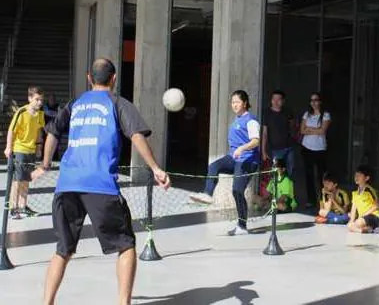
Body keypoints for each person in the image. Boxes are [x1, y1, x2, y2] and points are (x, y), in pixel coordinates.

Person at [31, 58, 171, 305]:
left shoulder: (75, 103)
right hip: (100, 186)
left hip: (67, 185)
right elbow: (136, 135)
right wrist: (156, 168)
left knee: (62, 250)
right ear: (114, 78)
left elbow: (52, 132)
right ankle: (123, 302)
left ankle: (47, 303)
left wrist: (44, 165)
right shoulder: (117, 103)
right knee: (126, 245)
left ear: (89, 78)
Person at [189, 90, 260, 236]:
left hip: (248, 159)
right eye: (232, 102)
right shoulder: (236, 119)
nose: (234, 105)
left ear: (245, 103)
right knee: (214, 166)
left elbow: (256, 141)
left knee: (237, 191)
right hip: (234, 158)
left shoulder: (251, 120)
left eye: (237, 102)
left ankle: (242, 226)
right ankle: (208, 194)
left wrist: (242, 148)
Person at [4, 86, 45, 219]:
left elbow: (39, 131)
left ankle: (23, 206)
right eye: (37, 99)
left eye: (41, 100)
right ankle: (13, 208)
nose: (39, 102)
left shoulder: (40, 114)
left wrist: (39, 147)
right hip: (19, 150)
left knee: (26, 180)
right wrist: (8, 147)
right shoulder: (21, 112)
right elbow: (11, 130)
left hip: (31, 151)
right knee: (17, 180)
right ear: (29, 98)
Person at [301, 92, 331, 208]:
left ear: (320, 101)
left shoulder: (326, 115)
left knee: (321, 175)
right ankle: (311, 199)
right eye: (311, 100)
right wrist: (316, 129)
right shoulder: (306, 114)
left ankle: (323, 198)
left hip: (320, 149)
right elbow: (302, 130)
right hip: (306, 147)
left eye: (316, 100)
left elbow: (323, 131)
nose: (313, 102)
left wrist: (310, 129)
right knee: (308, 174)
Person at [262, 90, 295, 179]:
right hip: (275, 149)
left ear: (283, 101)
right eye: (274, 99)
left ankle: (287, 192)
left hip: (289, 148)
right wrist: (263, 151)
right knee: (277, 174)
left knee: (290, 172)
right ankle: (277, 192)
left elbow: (292, 127)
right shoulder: (267, 113)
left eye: (278, 99)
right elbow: (264, 133)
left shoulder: (288, 112)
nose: (276, 102)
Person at [347, 165, 379, 234]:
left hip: (374, 216)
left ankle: (365, 230)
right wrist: (351, 221)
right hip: (364, 218)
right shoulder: (355, 192)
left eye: (359, 176)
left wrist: (363, 216)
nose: (356, 177)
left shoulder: (369, 190)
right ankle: (369, 229)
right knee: (350, 225)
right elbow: (354, 208)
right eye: (355, 175)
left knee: (355, 225)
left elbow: (377, 206)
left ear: (367, 178)